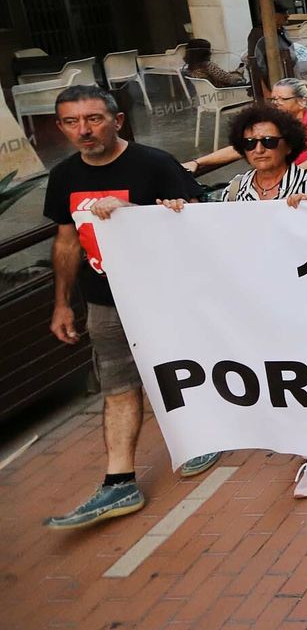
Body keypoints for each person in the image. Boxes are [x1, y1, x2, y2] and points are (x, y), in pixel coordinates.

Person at [41, 87, 213, 529]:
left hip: (161, 295)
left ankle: (204, 435)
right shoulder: (63, 177)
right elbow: (66, 241)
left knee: (177, 369)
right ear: (60, 126)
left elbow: (195, 223)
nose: (84, 130)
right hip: (103, 302)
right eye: (72, 122)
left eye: (94, 119)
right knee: (117, 384)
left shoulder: (154, 163)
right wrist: (62, 303)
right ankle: (120, 480)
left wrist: (135, 211)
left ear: (117, 121)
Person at [210, 103, 307, 498]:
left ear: (288, 144)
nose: (259, 148)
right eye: (250, 142)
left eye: (269, 140)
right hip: (261, 299)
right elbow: (217, 239)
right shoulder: (235, 189)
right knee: (285, 372)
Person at [186, 78, 307, 206]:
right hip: (294, 191)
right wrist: (197, 162)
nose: (276, 103)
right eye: (273, 99)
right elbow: (237, 149)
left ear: (302, 101)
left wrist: (280, 178)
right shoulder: (273, 128)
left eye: (282, 99)